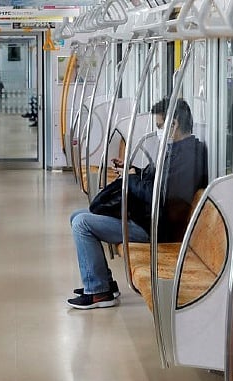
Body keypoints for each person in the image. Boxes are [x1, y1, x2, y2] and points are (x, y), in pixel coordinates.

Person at [66, 98, 208, 310]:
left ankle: (98, 291)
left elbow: (160, 196)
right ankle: (104, 284)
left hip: (156, 229)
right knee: (76, 216)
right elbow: (156, 181)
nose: (158, 132)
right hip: (147, 218)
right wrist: (133, 170)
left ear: (174, 124)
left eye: (160, 126)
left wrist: (131, 180)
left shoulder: (188, 157)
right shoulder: (176, 150)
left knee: (82, 224)